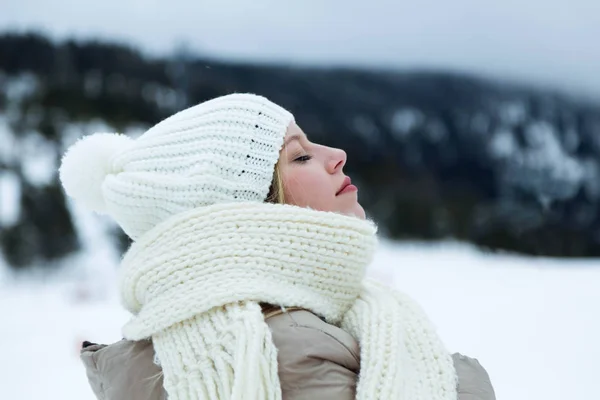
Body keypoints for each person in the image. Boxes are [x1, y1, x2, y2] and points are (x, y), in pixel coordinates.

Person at [59, 93, 496, 400]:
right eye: (300, 156)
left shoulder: (293, 330)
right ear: (247, 212)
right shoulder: (280, 353)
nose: (337, 154)